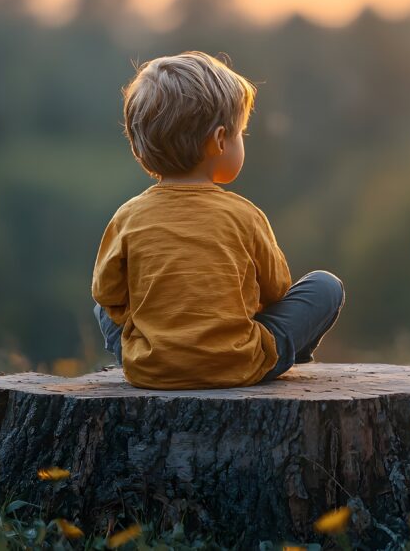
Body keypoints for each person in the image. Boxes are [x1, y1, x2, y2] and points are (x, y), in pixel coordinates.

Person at [90, 51, 343, 390]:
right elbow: (277, 290)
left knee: (100, 308)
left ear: (138, 146)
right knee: (326, 286)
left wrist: (158, 320)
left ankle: (163, 355)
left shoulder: (127, 217)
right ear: (220, 140)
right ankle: (284, 355)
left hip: (150, 368)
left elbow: (107, 293)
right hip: (239, 364)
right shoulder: (245, 215)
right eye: (241, 134)